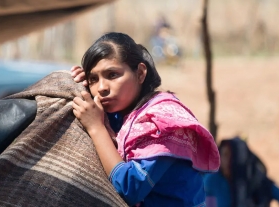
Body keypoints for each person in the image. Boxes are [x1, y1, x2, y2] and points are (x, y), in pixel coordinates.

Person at [71, 32, 220, 207]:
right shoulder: (123, 114)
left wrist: (96, 128)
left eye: (112, 75)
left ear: (140, 73)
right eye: (93, 79)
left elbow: (129, 186)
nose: (102, 88)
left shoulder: (161, 121)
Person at [204, 136, 279, 207]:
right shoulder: (212, 180)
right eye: (223, 154)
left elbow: (276, 193)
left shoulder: (255, 178)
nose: (224, 160)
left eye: (229, 155)